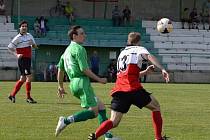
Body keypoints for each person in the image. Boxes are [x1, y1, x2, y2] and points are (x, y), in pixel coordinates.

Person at [88, 32, 170, 140]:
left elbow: (127, 75)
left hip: (120, 91)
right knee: (156, 107)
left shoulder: (122, 53)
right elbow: (149, 56)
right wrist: (162, 69)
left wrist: (145, 72)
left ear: (128, 40)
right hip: (134, 89)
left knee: (114, 121)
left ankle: (95, 136)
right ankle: (158, 138)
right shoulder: (139, 49)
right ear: (138, 42)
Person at [55, 25, 117, 140]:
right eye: (82, 33)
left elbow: (60, 69)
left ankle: (108, 136)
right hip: (81, 82)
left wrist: (60, 86)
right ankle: (66, 120)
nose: (85, 35)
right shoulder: (79, 48)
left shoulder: (66, 51)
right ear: (74, 36)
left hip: (73, 83)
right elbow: (84, 69)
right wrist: (99, 79)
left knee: (101, 107)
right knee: (94, 112)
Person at [7, 20, 38, 103]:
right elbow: (9, 48)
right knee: (29, 77)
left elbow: (35, 47)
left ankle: (12, 95)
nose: (24, 28)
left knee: (23, 78)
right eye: (23, 26)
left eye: (25, 26)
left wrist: (33, 44)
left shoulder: (29, 35)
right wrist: (16, 55)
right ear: (20, 28)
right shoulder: (17, 38)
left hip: (28, 59)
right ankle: (28, 97)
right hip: (22, 60)